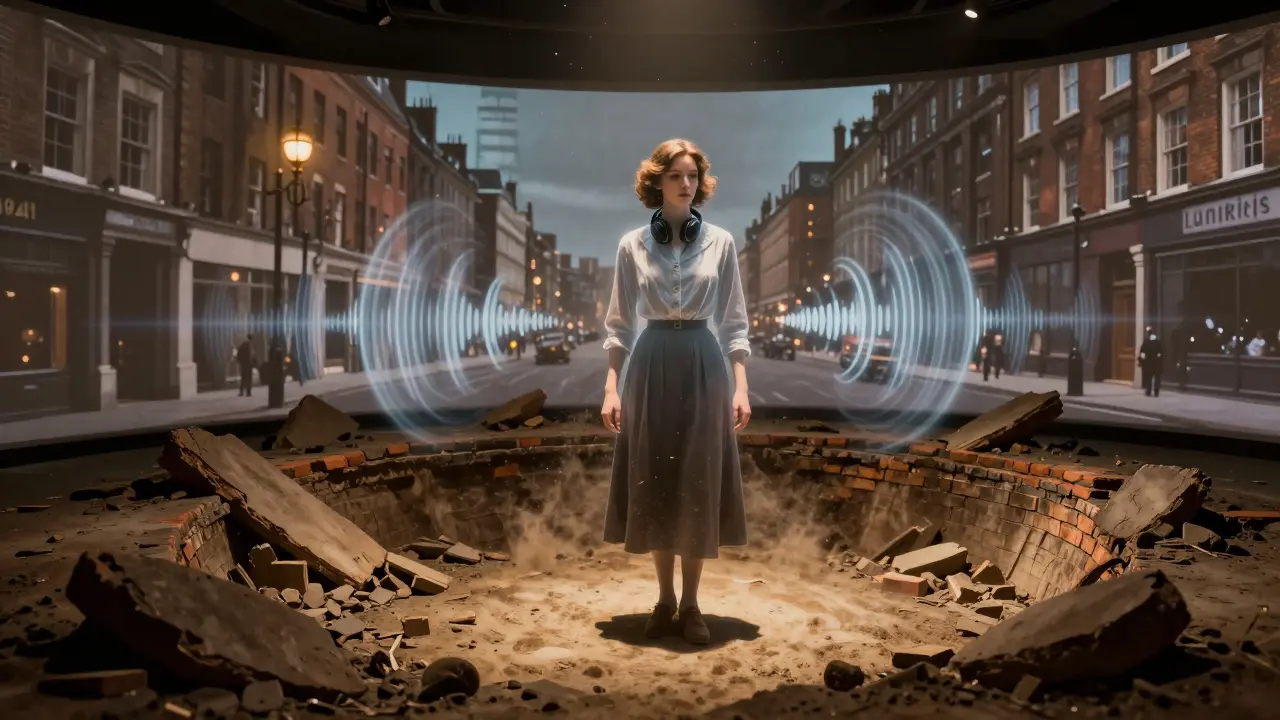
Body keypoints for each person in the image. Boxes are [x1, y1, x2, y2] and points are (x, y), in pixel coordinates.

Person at [600, 138, 752, 646]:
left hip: (703, 363)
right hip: (651, 363)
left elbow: (734, 322)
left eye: (692, 176)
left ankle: (691, 604)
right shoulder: (631, 245)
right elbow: (619, 324)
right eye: (675, 176)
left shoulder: (722, 243)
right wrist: (611, 387)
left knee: (696, 483)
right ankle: (664, 599)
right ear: (657, 182)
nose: (686, 184)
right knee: (659, 482)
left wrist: (741, 386)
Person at [1138, 327, 1164, 397]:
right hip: (1157, 363)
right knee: (1157, 377)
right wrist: (1159, 357)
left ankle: (1148, 391)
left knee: (1148, 377)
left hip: (1148, 362)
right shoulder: (1158, 342)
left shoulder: (1146, 342)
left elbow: (1142, 352)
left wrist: (1141, 360)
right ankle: (1156, 391)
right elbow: (1162, 352)